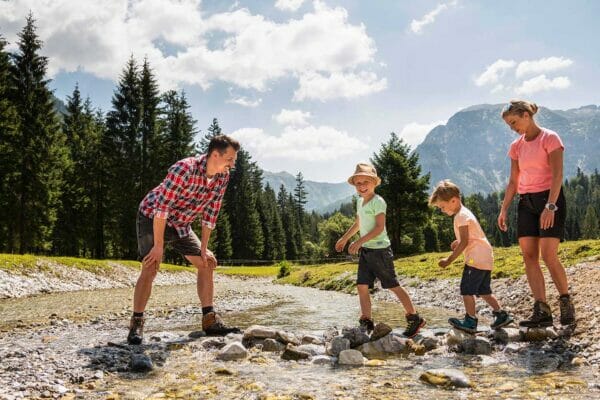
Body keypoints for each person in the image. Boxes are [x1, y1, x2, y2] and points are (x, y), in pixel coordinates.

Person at [127, 135, 241, 345]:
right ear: (215, 155)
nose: (232, 165)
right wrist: (159, 246)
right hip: (152, 216)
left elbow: (210, 215)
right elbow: (162, 209)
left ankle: (209, 320)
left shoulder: (222, 178)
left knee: (206, 263)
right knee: (151, 267)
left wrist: (204, 249)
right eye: (230, 159)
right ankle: (136, 323)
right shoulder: (184, 169)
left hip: (181, 224)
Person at [497, 100, 575, 328]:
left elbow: (558, 175)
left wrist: (550, 206)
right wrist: (504, 208)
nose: (513, 128)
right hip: (526, 203)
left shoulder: (550, 138)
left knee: (548, 255)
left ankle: (566, 302)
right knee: (529, 257)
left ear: (526, 115)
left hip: (549, 200)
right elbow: (514, 180)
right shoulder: (516, 146)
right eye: (509, 125)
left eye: (514, 122)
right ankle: (542, 310)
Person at [335, 162, 426, 338]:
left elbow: (378, 228)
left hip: (380, 251)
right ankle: (366, 320)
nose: (361, 186)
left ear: (374, 183)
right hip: (367, 251)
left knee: (392, 285)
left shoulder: (378, 202)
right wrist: (345, 238)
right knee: (361, 286)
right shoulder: (360, 202)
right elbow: (359, 223)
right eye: (358, 183)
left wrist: (359, 241)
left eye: (365, 182)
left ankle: (415, 318)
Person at [430, 180, 513, 333]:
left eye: (442, 207)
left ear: (454, 200)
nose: (442, 210)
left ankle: (470, 320)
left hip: (475, 257)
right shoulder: (465, 213)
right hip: (485, 255)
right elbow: (468, 237)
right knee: (483, 290)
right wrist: (458, 241)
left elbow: (465, 242)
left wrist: (449, 260)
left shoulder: (460, 216)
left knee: (466, 289)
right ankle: (501, 315)